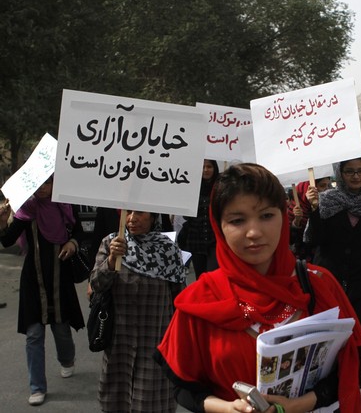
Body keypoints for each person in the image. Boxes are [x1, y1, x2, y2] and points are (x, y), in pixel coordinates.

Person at [154, 163, 361, 412]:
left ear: (283, 216)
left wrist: (297, 406)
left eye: (267, 216)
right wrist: (226, 408)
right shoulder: (201, 299)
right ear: (219, 226)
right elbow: (183, 387)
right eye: (237, 220)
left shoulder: (320, 284)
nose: (254, 232)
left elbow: (353, 370)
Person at [90, 210, 187, 412]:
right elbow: (96, 284)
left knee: (150, 402)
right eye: (128, 212)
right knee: (117, 399)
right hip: (119, 341)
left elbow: (180, 298)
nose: (132, 218)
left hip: (155, 341)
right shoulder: (111, 243)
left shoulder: (168, 248)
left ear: (153, 217)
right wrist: (111, 260)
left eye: (140, 213)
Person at [0, 176, 85, 406]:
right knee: (34, 333)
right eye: (37, 184)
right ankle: (37, 386)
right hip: (33, 277)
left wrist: (72, 243)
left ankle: (67, 359)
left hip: (59, 276)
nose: (41, 188)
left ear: (55, 184)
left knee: (61, 328)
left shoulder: (65, 206)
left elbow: (79, 233)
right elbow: (7, 240)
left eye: (46, 183)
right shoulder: (28, 208)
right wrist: (2, 222)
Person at [304, 157, 361, 330]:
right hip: (327, 283)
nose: (356, 176)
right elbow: (314, 240)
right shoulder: (325, 201)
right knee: (328, 338)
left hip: (359, 285)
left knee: (355, 336)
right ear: (340, 174)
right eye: (349, 171)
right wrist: (314, 210)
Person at [177, 159, 220, 278]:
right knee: (201, 276)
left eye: (209, 167)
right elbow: (186, 215)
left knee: (213, 274)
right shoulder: (192, 188)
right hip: (196, 239)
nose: (205, 170)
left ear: (214, 168)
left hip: (214, 239)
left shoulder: (220, 188)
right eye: (202, 167)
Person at [287, 177, 331, 261]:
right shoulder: (295, 208)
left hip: (325, 257)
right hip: (303, 258)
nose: (326, 190)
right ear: (307, 189)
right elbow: (289, 239)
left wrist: (316, 208)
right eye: (322, 186)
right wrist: (296, 221)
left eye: (328, 186)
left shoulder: (330, 205)